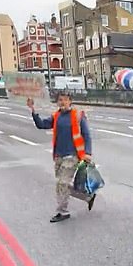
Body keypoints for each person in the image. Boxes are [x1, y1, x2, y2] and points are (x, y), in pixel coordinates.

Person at [28, 91, 94, 223]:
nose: (62, 102)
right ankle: (87, 197)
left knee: (62, 183)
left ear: (70, 101)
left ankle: (62, 211)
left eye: (65, 100)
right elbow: (41, 125)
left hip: (73, 155)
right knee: (62, 185)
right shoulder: (56, 116)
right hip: (58, 156)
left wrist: (87, 153)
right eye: (60, 100)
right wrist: (33, 110)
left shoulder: (78, 116)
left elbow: (86, 135)